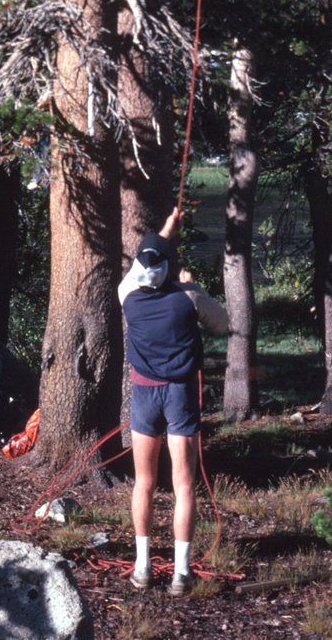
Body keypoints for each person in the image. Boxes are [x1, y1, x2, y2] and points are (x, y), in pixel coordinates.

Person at [118, 205, 228, 596]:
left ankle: (143, 567)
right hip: (181, 394)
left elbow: (148, 258)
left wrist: (169, 224)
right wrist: (194, 286)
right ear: (168, 269)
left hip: (144, 395)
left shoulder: (127, 295)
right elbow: (223, 324)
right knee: (184, 485)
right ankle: (181, 574)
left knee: (143, 484)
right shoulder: (189, 298)